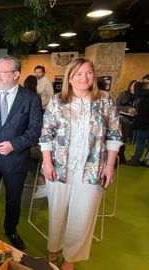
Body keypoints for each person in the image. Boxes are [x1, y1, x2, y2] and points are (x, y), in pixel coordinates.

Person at [39, 58, 121, 270]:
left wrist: (109, 166)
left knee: (82, 214)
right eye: (78, 74)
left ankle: (70, 257)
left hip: (92, 168)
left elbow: (114, 135)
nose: (84, 78)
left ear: (94, 76)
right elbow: (46, 135)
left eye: (88, 73)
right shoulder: (57, 101)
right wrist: (47, 163)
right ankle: (54, 248)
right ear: (69, 78)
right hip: (58, 166)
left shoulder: (105, 100)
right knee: (57, 211)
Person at [0, 56, 42, 250]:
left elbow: (35, 130)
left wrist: (14, 144)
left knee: (13, 198)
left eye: (3, 72)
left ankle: (11, 229)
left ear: (16, 74)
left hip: (16, 159)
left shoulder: (31, 99)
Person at [125, 81, 149, 166]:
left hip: (144, 122)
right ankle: (146, 160)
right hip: (144, 122)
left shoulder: (146, 94)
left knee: (140, 141)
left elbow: (137, 92)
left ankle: (135, 160)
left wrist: (141, 83)